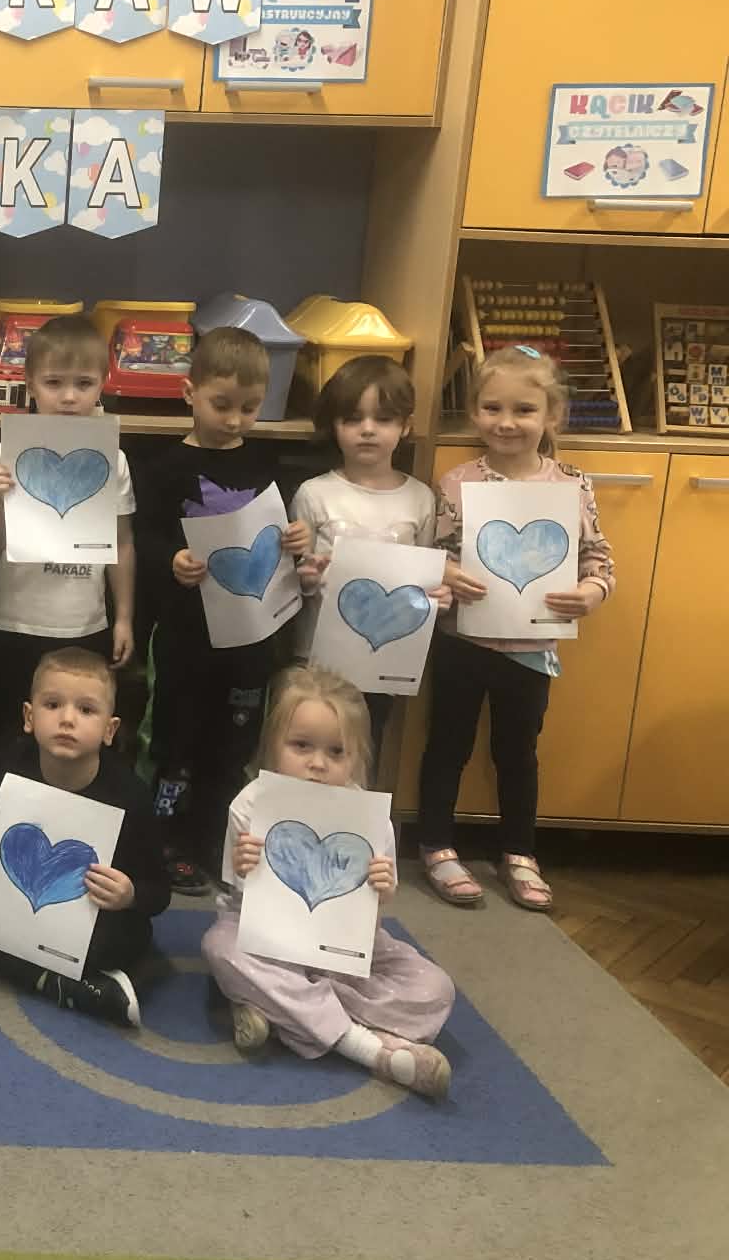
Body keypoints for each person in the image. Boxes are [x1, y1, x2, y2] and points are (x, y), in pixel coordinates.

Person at [418, 346, 613, 915]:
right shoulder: (456, 482)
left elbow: (598, 557)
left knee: (518, 752)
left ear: (553, 415)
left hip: (531, 648)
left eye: (524, 410)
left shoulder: (572, 485)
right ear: (474, 412)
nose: (506, 422)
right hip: (461, 640)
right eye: (492, 408)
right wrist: (445, 572)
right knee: (447, 744)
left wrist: (591, 591)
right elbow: (433, 553)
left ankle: (519, 852)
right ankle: (435, 843)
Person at [204, 665, 456, 1098]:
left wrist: (383, 890)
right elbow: (243, 900)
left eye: (336, 752)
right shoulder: (249, 806)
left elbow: (372, 912)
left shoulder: (369, 819)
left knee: (436, 988)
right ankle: (369, 1047)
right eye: (301, 745)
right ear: (273, 746)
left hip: (342, 951)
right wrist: (245, 867)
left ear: (356, 759)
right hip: (267, 943)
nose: (317, 764)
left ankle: (281, 1010)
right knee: (219, 947)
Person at [136, 326, 310, 894]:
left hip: (252, 642)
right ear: (189, 393)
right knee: (176, 741)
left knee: (233, 745)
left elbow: (282, 536)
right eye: (221, 404)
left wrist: (298, 538)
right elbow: (143, 538)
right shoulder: (164, 468)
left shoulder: (267, 464)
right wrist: (172, 560)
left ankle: (216, 839)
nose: (235, 420)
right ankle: (166, 841)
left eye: (249, 408)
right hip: (186, 637)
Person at [0, 647, 166, 1026]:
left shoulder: (130, 795)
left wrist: (129, 894)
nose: (67, 719)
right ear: (29, 717)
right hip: (5, 900)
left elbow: (158, 892)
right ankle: (62, 984)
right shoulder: (4, 766)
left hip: (79, 917)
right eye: (52, 705)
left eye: (86, 710)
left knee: (132, 938)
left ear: (110, 730)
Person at [0, 315, 137, 796]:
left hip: (82, 625)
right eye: (55, 383)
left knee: (75, 739)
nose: (69, 397)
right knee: (3, 739)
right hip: (11, 621)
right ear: (30, 384)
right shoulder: (5, 455)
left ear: (103, 384)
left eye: (84, 384)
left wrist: (123, 618)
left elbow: (122, 542)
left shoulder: (113, 460)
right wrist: (1, 500)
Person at [291, 356, 451, 757]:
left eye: (383, 419)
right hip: (319, 662)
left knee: (364, 754)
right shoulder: (314, 494)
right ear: (334, 426)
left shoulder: (420, 498)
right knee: (309, 754)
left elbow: (423, 579)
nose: (367, 429)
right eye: (352, 419)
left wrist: (437, 600)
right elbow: (294, 578)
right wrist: (307, 577)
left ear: (405, 426)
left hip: (385, 661)